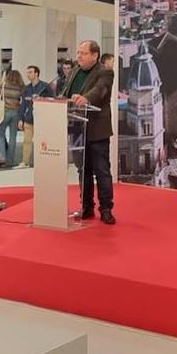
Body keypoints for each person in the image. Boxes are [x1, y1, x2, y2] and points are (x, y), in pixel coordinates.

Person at [64, 41, 116, 224]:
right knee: (82, 170)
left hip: (96, 129)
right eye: (78, 53)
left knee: (102, 171)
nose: (78, 56)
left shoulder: (105, 71)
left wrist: (85, 99)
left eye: (83, 53)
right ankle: (86, 207)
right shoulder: (74, 72)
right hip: (77, 128)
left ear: (95, 55)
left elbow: (100, 90)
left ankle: (106, 208)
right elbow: (65, 94)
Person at [16, 65, 53, 169]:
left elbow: (53, 100)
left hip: (42, 118)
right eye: (27, 72)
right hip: (29, 118)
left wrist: (41, 98)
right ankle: (25, 162)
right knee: (27, 141)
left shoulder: (45, 86)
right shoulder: (26, 88)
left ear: (36, 73)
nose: (28, 74)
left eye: (30, 72)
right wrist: (20, 119)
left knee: (41, 142)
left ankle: (41, 162)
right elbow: (23, 104)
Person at [0, 68, 24, 168]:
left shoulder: (4, 85)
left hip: (4, 111)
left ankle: (1, 158)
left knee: (1, 135)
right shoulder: (21, 87)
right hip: (16, 112)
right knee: (13, 137)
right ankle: (10, 160)